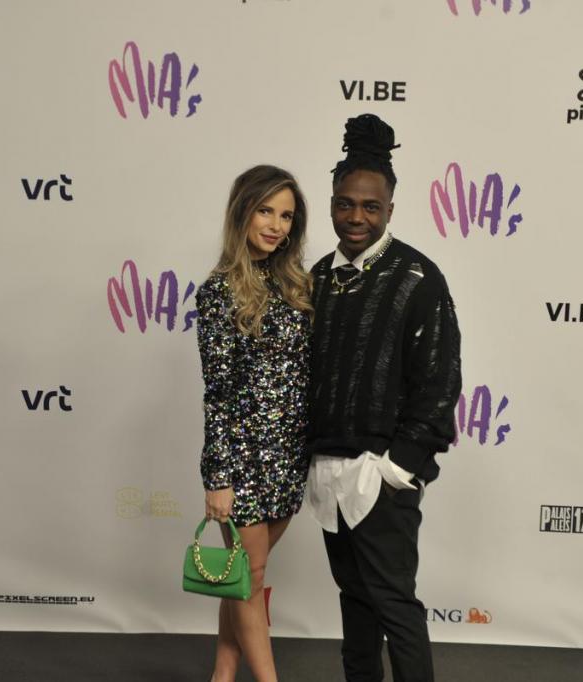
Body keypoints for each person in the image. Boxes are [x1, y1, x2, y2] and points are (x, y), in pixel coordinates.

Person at [306, 114, 462, 682]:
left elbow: (440, 382)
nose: (357, 217)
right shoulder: (318, 277)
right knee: (355, 603)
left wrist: (397, 468)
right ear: (331, 205)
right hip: (327, 471)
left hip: (381, 475)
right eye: (345, 204)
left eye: (370, 207)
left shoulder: (418, 277)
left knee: (395, 605)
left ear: (390, 210)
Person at [195, 165, 313, 682]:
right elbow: (218, 393)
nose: (275, 225)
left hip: (289, 456)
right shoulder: (218, 292)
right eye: (266, 211)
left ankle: (223, 674)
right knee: (252, 574)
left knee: (245, 573)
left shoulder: (297, 286)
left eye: (286, 216)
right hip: (242, 460)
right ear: (242, 211)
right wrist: (218, 477)